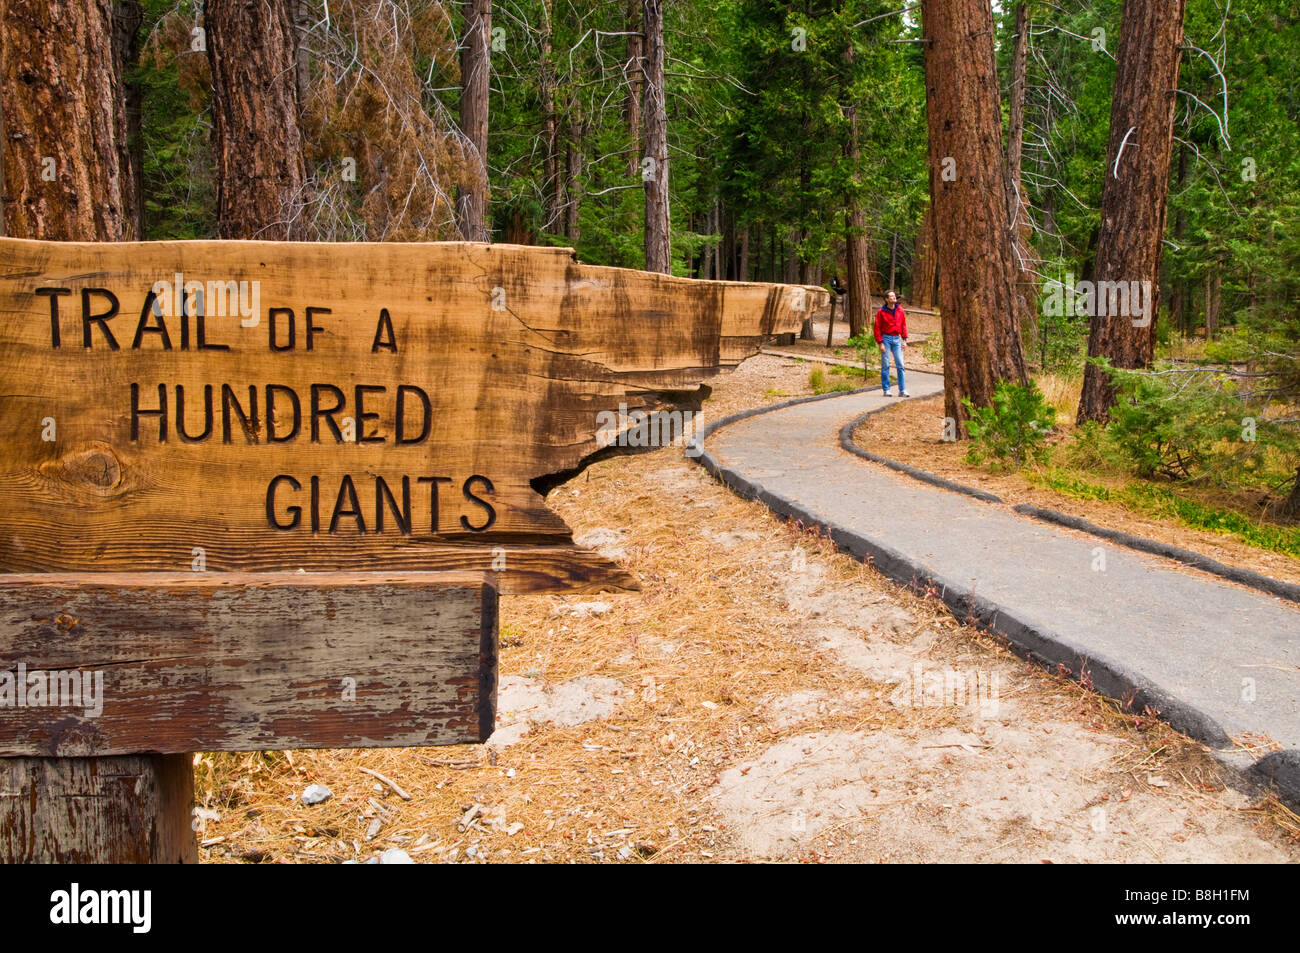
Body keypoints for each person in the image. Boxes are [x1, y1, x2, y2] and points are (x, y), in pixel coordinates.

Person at [874, 290, 909, 397]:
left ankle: (902, 390)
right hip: (886, 338)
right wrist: (880, 343)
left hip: (897, 339)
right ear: (886, 299)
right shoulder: (881, 312)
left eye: (894, 296)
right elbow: (877, 328)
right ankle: (886, 389)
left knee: (900, 365)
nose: (894, 298)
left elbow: (903, 325)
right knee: (885, 364)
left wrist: (904, 340)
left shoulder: (900, 310)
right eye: (891, 296)